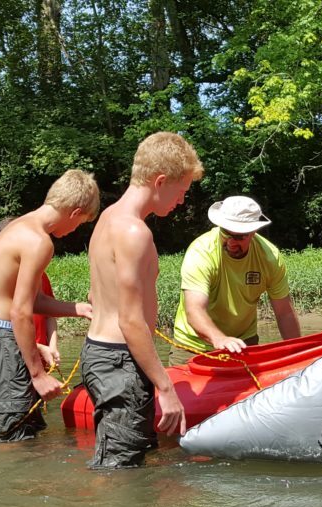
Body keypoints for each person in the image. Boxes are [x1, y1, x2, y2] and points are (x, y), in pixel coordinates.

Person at [82, 131, 203, 469]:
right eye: (181, 192)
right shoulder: (135, 232)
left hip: (102, 354)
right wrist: (165, 387)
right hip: (120, 360)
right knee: (118, 472)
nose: (181, 202)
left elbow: (96, 293)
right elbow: (130, 320)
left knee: (126, 461)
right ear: (160, 181)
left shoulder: (108, 219)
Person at [0, 169, 99, 442]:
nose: (75, 230)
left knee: (27, 427)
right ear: (75, 212)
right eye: (81, 223)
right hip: (1, 338)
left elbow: (32, 301)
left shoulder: (18, 227)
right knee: (16, 432)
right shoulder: (39, 241)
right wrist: (37, 374)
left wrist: (78, 308)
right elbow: (20, 312)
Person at [168, 195, 301, 366]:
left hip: (243, 345)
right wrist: (219, 339)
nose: (231, 242)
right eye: (225, 233)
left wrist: (297, 354)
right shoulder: (201, 252)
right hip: (192, 347)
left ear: (253, 233)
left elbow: (285, 313)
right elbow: (194, 310)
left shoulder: (270, 258)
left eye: (239, 237)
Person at [0, 217, 59, 368]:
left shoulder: (41, 276)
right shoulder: (2, 280)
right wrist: (37, 347)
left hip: (41, 356)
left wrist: (52, 346)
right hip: (14, 356)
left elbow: (49, 316)